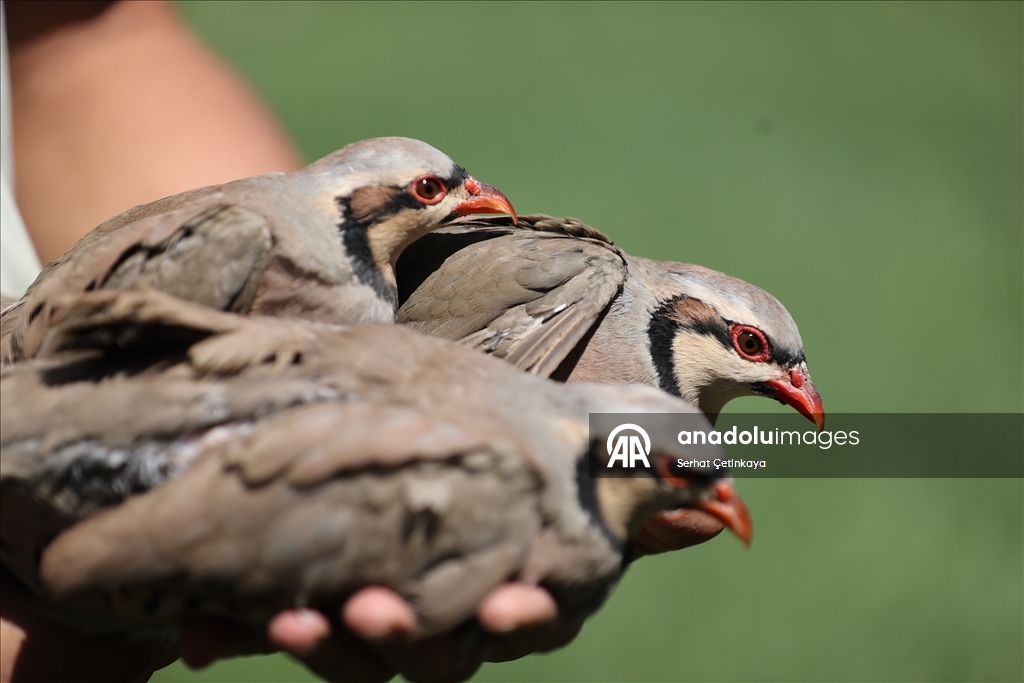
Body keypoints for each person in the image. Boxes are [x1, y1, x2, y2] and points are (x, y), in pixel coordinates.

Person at [0, 3, 574, 681]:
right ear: (361, 203)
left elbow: (89, 38)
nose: (468, 200)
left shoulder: (351, 274)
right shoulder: (250, 244)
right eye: (429, 191)